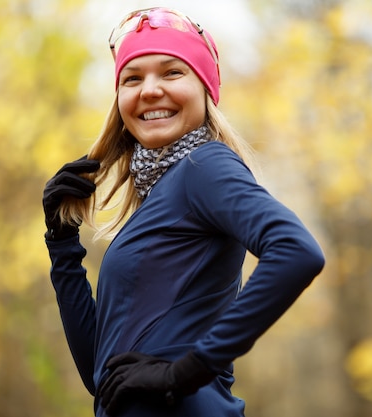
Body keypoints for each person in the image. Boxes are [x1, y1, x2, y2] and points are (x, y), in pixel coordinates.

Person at [42, 7, 325, 417]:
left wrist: (185, 373)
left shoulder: (203, 167)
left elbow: (297, 251)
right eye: (132, 78)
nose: (150, 90)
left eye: (172, 72)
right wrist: (62, 241)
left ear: (205, 88)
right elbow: (101, 375)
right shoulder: (159, 200)